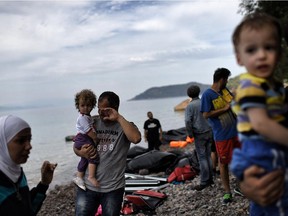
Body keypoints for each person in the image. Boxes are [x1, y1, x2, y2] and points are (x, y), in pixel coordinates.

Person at [230, 13, 288, 215]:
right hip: (261, 148)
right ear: (239, 58)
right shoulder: (251, 86)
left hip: (270, 147)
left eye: (269, 47)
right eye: (252, 50)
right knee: (276, 198)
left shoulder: (273, 87)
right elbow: (262, 124)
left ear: (279, 53)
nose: (261, 55)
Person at [74, 91, 141, 216]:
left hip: (113, 189)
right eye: (99, 109)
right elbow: (76, 146)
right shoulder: (91, 121)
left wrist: (119, 118)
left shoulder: (124, 126)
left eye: (106, 109)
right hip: (87, 188)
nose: (101, 113)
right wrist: (81, 152)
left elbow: (136, 138)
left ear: (115, 108)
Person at [0, 115, 57, 215]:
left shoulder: (17, 174)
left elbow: (28, 209)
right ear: (2, 142)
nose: (29, 146)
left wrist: (44, 184)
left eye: (29, 140)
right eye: (21, 140)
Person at [200, 68, 241, 204]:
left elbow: (233, 103)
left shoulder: (225, 91)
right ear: (221, 79)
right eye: (227, 79)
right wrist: (224, 109)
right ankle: (227, 192)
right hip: (222, 135)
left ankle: (241, 186)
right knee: (223, 164)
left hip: (236, 132)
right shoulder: (207, 95)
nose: (227, 82)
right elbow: (205, 114)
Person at [184, 85, 214, 190]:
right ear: (198, 92)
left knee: (202, 157)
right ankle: (211, 178)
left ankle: (205, 181)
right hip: (209, 131)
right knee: (208, 155)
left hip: (199, 133)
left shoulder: (190, 106)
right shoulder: (203, 102)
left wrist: (190, 133)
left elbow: (188, 121)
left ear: (189, 95)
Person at [73, 89, 99, 190]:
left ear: (92, 106)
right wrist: (96, 139)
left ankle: (79, 177)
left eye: (88, 105)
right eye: (82, 105)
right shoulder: (83, 118)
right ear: (78, 106)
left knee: (84, 158)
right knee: (93, 155)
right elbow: (89, 131)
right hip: (83, 138)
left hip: (81, 138)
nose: (85, 108)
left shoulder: (86, 116)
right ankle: (91, 176)